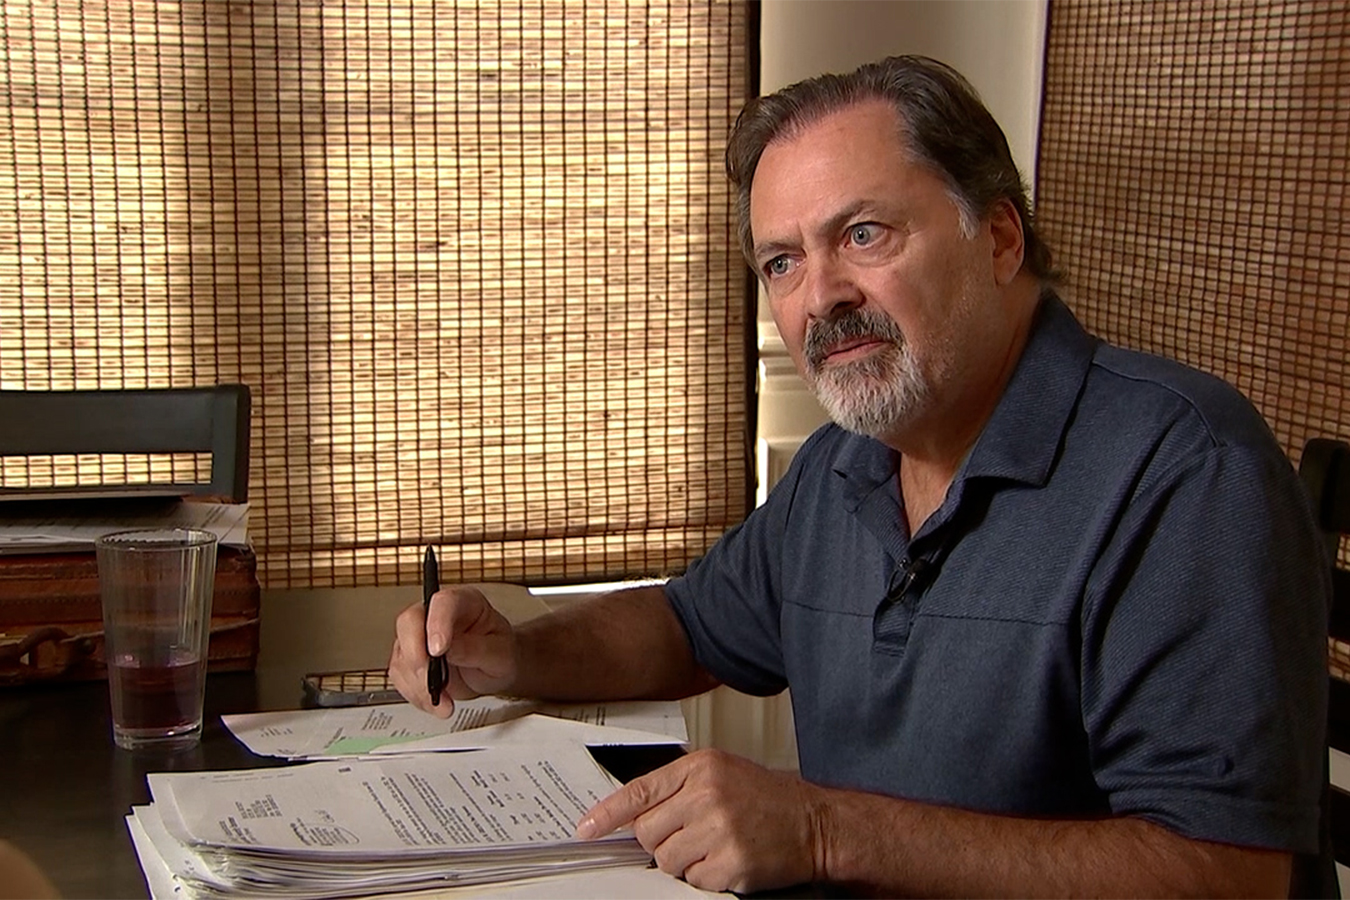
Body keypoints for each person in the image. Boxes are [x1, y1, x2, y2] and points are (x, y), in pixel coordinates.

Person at [388, 56, 1330, 897]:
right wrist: (519, 653)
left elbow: (1229, 876)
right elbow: (688, 625)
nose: (821, 297)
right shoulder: (849, 460)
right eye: (784, 262)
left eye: (866, 235)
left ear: (1000, 239)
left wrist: (825, 832)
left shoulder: (1186, 472)